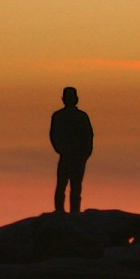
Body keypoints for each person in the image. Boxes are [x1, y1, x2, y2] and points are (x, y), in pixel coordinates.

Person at [50, 86, 94, 214]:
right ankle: (60, 212)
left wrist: (84, 154)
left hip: (77, 157)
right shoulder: (59, 116)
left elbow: (88, 136)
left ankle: (74, 212)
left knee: (75, 187)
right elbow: (55, 136)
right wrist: (63, 150)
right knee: (63, 186)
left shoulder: (81, 117)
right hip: (67, 155)